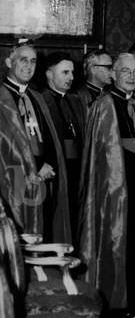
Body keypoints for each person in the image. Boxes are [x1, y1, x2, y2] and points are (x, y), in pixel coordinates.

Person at [79, 54, 135, 318]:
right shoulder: (104, 104)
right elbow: (107, 150)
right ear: (113, 73)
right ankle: (119, 302)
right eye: (125, 71)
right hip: (116, 185)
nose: (131, 76)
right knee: (119, 241)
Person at [1, 42, 71, 243]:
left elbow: (51, 139)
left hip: (43, 178)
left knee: (42, 234)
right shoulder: (2, 98)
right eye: (23, 60)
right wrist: (36, 167)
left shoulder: (38, 98)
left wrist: (47, 165)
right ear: (9, 62)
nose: (28, 66)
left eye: (33, 61)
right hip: (13, 178)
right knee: (21, 236)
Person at [39, 52, 83, 231]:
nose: (72, 77)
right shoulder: (40, 100)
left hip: (75, 172)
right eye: (65, 72)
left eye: (72, 72)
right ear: (49, 74)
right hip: (54, 172)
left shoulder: (75, 100)